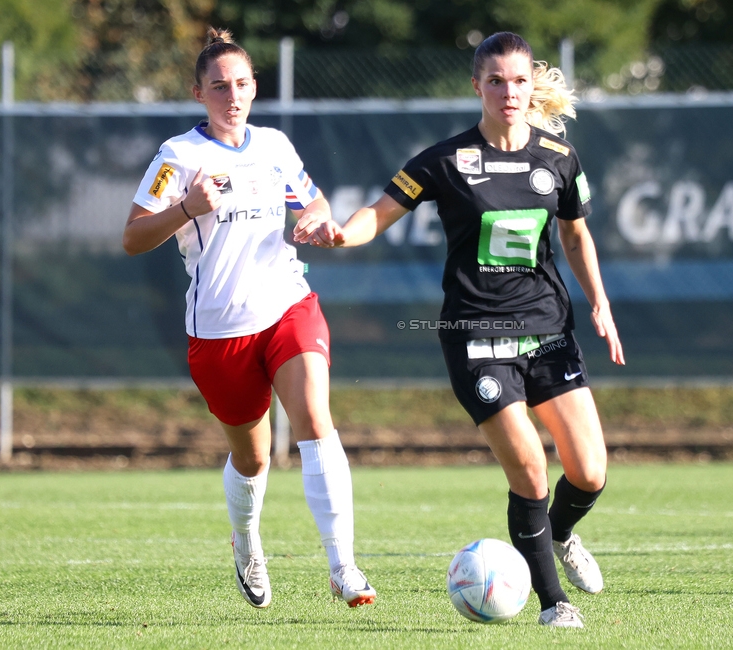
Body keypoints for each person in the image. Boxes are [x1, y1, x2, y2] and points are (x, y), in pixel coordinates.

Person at [304, 31, 624, 628]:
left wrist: (600, 303)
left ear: (533, 86)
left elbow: (577, 233)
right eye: (496, 80)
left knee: (590, 472)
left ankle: (556, 536)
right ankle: (554, 604)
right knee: (529, 467)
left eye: (520, 80)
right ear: (476, 85)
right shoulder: (445, 160)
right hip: (476, 338)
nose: (509, 91)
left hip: (549, 329)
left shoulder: (558, 156)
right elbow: (379, 212)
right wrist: (344, 234)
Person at [122, 27, 375, 610]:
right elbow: (133, 237)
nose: (231, 96)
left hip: (288, 304)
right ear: (198, 93)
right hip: (219, 331)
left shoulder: (275, 146)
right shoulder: (178, 157)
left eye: (240, 84)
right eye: (218, 87)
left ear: (255, 87)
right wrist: (187, 207)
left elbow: (311, 200)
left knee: (315, 420)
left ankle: (344, 567)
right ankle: (246, 542)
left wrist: (316, 218)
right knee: (253, 456)